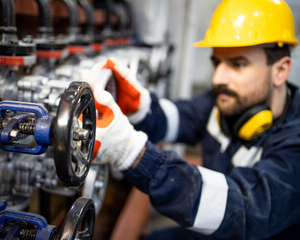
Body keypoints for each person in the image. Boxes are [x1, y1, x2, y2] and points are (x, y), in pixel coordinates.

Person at [92, 0, 300, 239]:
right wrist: (140, 107)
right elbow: (179, 118)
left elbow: (245, 209)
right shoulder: (227, 99)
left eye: (238, 64)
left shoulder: (295, 143)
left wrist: (132, 154)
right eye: (217, 63)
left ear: (281, 71)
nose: (218, 78)